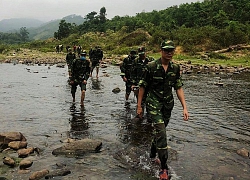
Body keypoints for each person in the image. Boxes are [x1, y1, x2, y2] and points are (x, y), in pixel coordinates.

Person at [136, 40, 189, 180]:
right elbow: (143, 87)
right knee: (162, 132)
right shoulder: (151, 67)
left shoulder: (175, 68)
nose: (169, 53)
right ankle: (164, 168)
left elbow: (178, 87)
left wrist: (184, 107)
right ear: (161, 51)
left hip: (167, 105)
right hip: (153, 103)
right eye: (166, 50)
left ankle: (152, 155)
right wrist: (139, 106)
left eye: (171, 50)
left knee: (160, 132)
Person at [131, 46, 152, 117]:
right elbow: (133, 73)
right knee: (140, 103)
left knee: (150, 103)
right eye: (140, 54)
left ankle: (149, 119)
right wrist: (133, 84)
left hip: (149, 85)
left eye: (143, 54)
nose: (141, 55)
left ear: (146, 53)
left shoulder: (151, 60)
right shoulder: (135, 61)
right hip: (138, 85)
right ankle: (140, 118)